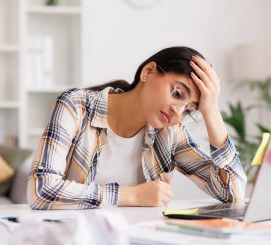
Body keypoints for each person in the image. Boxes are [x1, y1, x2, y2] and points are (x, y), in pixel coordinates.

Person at [27, 46, 247, 210]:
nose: (177, 113)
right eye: (177, 93)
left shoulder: (169, 133)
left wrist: (211, 111)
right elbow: (41, 191)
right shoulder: (76, 106)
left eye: (189, 109)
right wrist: (131, 196)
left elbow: (232, 194)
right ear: (148, 72)